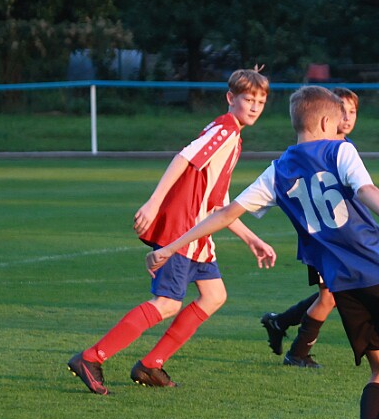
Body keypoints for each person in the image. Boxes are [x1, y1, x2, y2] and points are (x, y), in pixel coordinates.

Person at [146, 86, 379, 419]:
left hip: (343, 286)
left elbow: (225, 213)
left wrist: (171, 247)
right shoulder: (340, 151)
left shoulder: (277, 170)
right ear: (328, 122)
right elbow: (365, 189)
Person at [67, 68, 276, 395]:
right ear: (230, 98)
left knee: (214, 295)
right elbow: (183, 158)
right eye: (248, 99)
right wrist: (153, 202)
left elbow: (218, 202)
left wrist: (252, 238)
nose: (253, 107)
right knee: (166, 303)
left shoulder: (233, 136)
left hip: (199, 234)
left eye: (260, 101)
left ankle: (151, 365)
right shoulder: (224, 130)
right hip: (183, 231)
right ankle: (91, 357)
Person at [259, 87, 359, 368]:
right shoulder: (316, 151)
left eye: (353, 112)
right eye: (343, 111)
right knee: (330, 296)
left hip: (340, 240)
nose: (348, 117)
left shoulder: (345, 148)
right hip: (322, 240)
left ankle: (279, 323)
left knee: (332, 294)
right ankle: (298, 353)